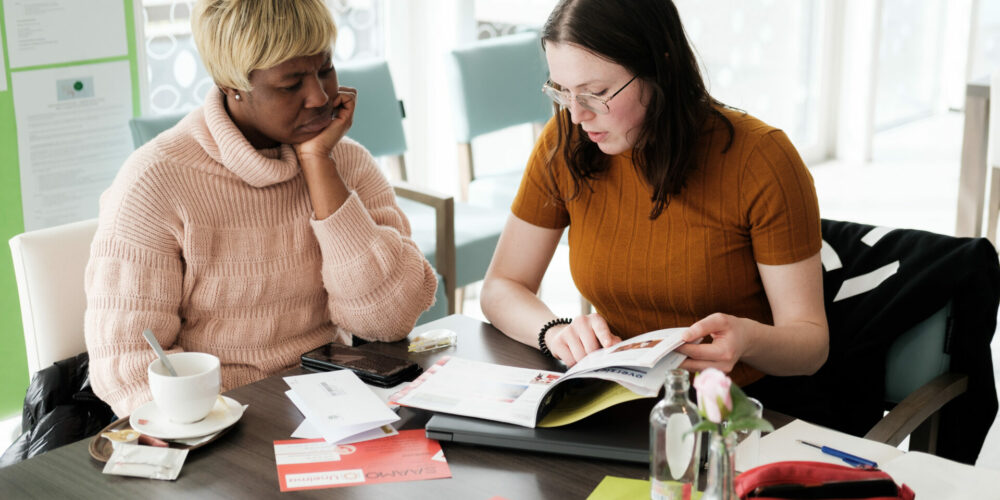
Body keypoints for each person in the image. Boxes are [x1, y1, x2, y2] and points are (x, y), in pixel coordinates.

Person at [85, 0, 437, 417]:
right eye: (291, 85)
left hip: (333, 411)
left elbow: (389, 321)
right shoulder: (156, 183)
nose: (320, 97)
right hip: (215, 426)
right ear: (233, 84)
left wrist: (319, 167)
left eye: (325, 68)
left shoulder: (347, 163)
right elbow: (127, 368)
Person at [480, 0, 829, 395]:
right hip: (618, 394)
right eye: (562, 91)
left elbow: (811, 345)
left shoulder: (760, 159)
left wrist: (748, 339)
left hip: (734, 407)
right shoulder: (567, 140)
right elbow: (502, 286)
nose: (577, 115)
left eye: (596, 93)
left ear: (659, 67)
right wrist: (555, 332)